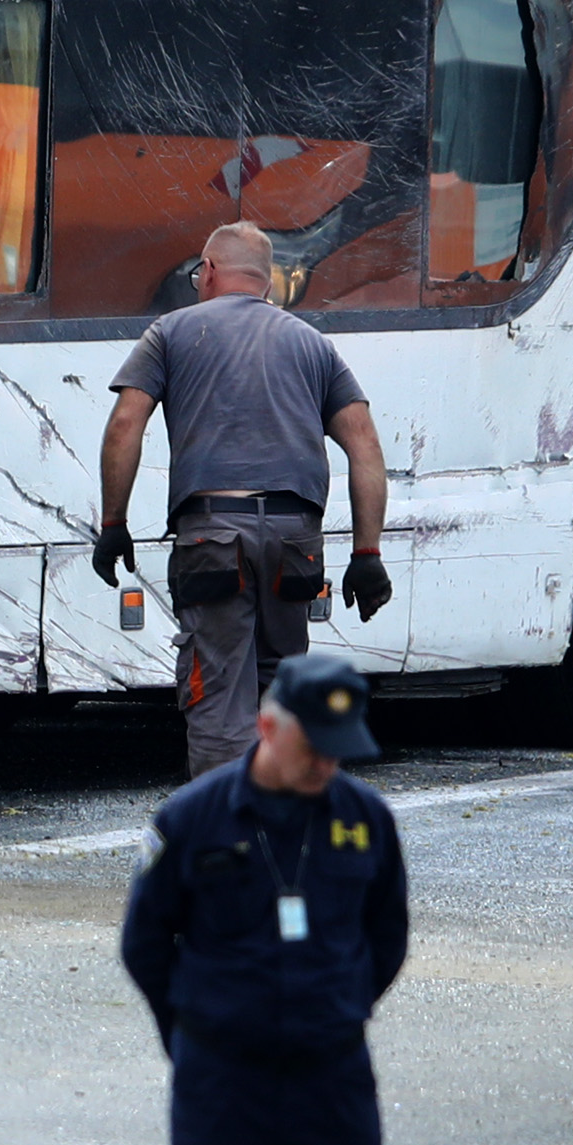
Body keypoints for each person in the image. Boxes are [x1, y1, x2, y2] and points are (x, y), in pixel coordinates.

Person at [119, 651, 408, 1145]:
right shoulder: (194, 819)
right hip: (223, 1074)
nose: (326, 764)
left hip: (330, 1074)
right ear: (268, 727)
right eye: (313, 745)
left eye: (339, 749)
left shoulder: (364, 822)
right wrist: (192, 1037)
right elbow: (145, 945)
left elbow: (386, 939)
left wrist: (337, 1009)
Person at [94, 224, 394, 777]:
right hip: (293, 538)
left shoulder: (171, 332)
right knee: (281, 691)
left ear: (208, 270)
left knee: (217, 690)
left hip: (214, 535)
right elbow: (366, 447)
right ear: (267, 281)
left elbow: (124, 426)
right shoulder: (312, 344)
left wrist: (114, 522)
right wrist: (367, 555)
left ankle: (225, 834)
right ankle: (280, 827)